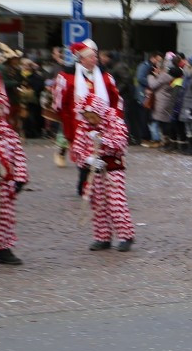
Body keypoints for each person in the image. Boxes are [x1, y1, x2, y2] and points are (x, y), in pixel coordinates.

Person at [54, 41, 123, 196]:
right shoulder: (67, 77)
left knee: (102, 154)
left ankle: (98, 184)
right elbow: (60, 104)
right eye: (91, 56)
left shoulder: (106, 77)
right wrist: (67, 125)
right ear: (81, 59)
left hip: (104, 125)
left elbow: (116, 100)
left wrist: (115, 120)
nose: (95, 59)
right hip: (78, 125)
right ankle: (85, 182)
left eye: (95, 56)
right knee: (83, 154)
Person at [72, 92, 135, 252]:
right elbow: (77, 149)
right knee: (98, 203)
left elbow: (121, 143)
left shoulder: (115, 122)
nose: (91, 121)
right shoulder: (83, 127)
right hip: (95, 169)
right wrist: (88, 159)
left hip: (113, 167)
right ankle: (103, 237)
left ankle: (126, 235)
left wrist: (102, 141)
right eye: (88, 117)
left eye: (93, 117)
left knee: (116, 202)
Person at [0, 69, 28, 265]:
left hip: (5, 182)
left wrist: (21, 176)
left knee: (6, 217)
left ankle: (4, 248)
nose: (0, 111)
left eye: (1, 107)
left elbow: (19, 155)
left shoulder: (8, 131)